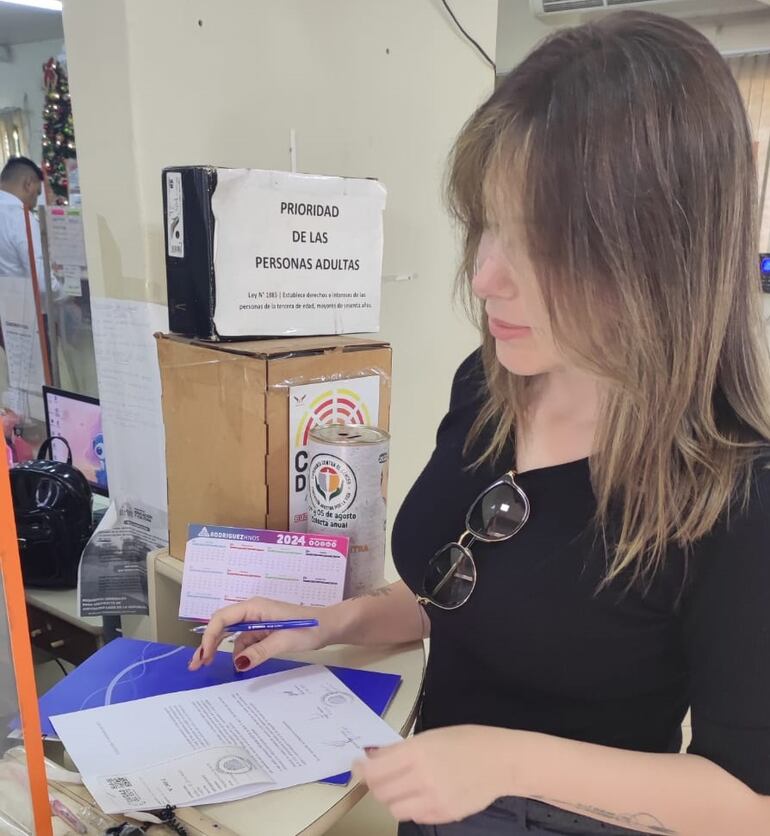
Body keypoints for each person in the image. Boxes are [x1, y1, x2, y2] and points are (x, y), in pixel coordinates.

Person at [189, 12, 770, 835]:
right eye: (487, 222)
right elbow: (464, 596)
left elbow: (749, 803)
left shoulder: (739, 496)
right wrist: (332, 623)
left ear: (659, 254)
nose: (487, 276)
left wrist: (503, 760)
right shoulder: (493, 382)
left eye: (543, 242)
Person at [0, 156, 45, 285]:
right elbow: (41, 281)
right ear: (28, 184)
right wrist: (66, 295)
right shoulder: (21, 218)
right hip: (18, 301)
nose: (35, 202)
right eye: (37, 193)